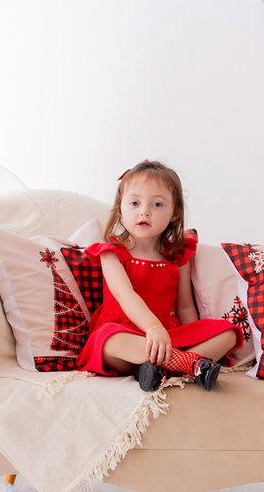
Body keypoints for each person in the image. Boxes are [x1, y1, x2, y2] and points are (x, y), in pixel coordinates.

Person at [75, 160, 242, 391]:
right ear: (120, 209)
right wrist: (152, 328)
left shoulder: (176, 256)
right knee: (109, 339)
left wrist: (195, 335)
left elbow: (185, 306)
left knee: (229, 333)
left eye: (157, 204)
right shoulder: (111, 252)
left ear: (175, 213)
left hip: (167, 335)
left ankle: (154, 369)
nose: (144, 211)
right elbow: (124, 294)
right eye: (134, 203)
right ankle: (188, 364)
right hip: (125, 334)